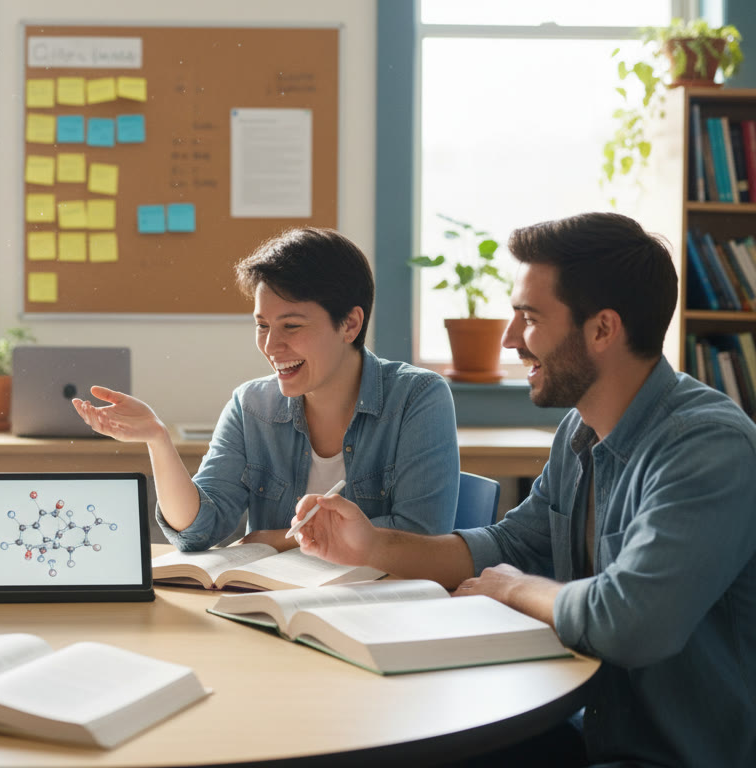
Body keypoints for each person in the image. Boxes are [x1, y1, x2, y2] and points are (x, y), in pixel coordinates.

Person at [293, 212, 756, 767]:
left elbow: (631, 621)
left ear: (603, 329)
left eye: (529, 318)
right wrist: (371, 547)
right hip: (588, 726)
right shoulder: (581, 429)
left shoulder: (707, 447)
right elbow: (509, 547)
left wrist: (514, 591)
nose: (510, 338)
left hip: (670, 754)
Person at [74, 227, 460, 551]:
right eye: (262, 325)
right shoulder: (251, 406)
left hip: (383, 610)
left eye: (291, 326)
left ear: (350, 325)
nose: (272, 346)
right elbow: (197, 531)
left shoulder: (417, 398)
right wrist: (158, 440)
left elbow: (421, 536)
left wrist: (271, 540)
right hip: (275, 607)